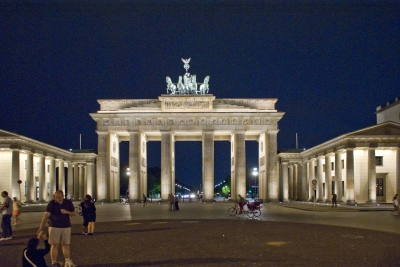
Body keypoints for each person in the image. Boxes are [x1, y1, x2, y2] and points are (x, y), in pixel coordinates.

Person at [38, 190, 76, 267]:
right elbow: (46, 216)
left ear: (63, 196)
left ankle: (67, 260)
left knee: (66, 244)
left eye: (59, 197)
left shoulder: (68, 202)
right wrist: (41, 227)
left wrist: (66, 212)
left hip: (66, 226)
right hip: (54, 226)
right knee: (54, 245)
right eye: (56, 197)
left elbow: (74, 213)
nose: (57, 199)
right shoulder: (52, 203)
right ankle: (54, 262)